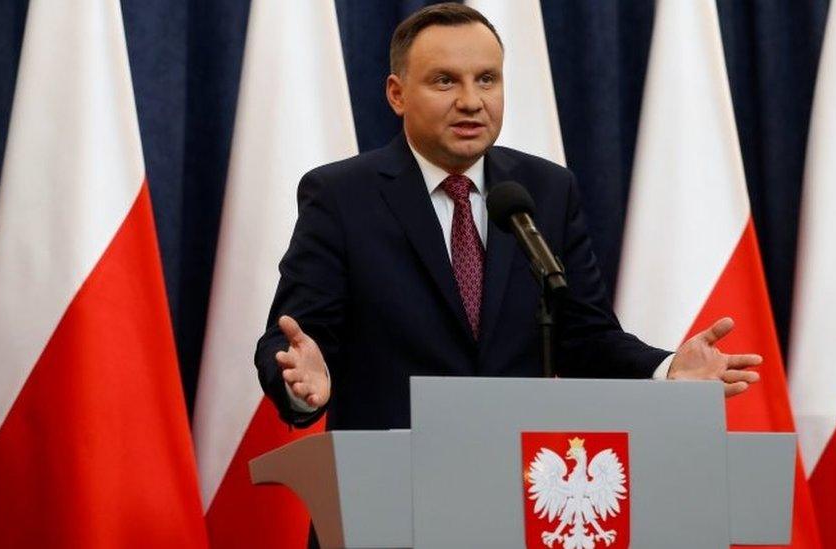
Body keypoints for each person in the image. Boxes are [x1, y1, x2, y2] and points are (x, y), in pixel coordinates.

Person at [255, 3, 761, 430]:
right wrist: (303, 383)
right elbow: (293, 338)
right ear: (397, 94)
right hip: (385, 497)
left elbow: (584, 337)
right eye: (444, 81)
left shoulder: (545, 190)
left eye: (487, 79)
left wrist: (667, 369)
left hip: (519, 494)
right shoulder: (343, 196)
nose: (471, 101)